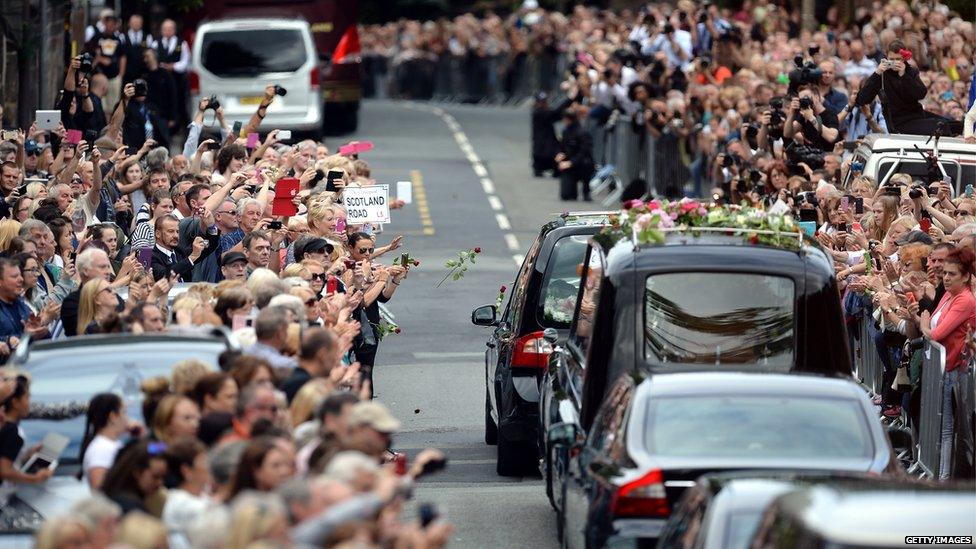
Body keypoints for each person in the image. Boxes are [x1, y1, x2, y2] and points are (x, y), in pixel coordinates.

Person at [919, 246, 975, 480]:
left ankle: (943, 479)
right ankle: (940, 476)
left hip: (957, 371)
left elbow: (935, 332)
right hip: (946, 370)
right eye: (946, 273)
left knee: (951, 429)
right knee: (943, 427)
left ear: (966, 276)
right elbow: (934, 325)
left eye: (953, 274)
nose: (947, 277)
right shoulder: (948, 294)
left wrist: (923, 321)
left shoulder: (965, 300)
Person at [854, 41, 963, 136]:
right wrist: (877, 73)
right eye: (891, 59)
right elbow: (861, 100)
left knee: (956, 125)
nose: (895, 62)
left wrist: (904, 76)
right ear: (886, 56)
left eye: (898, 59)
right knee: (941, 127)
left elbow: (921, 94)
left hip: (917, 115)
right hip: (898, 123)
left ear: (904, 58)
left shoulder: (910, 71)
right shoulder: (881, 75)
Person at [0, 375, 52, 507]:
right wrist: (35, 478)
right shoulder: (13, 433)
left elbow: (5, 456)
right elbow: (4, 471)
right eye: (27, 397)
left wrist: (27, 454)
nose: (29, 403)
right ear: (15, 402)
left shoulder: (6, 428)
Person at [162, 438, 212, 549]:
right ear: (187, 470)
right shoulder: (180, 502)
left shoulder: (203, 494)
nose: (209, 466)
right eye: (204, 461)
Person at [99, 439, 168, 515]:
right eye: (155, 477)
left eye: (163, 477)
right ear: (137, 472)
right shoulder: (131, 508)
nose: (160, 483)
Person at [79, 392, 130, 489]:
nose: (127, 418)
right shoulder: (101, 450)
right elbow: (100, 492)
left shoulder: (110, 445)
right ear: (113, 417)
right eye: (124, 412)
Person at [226, 436, 294, 500]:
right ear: (255, 470)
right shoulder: (241, 505)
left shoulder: (291, 501)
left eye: (288, 464)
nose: (285, 471)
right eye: (275, 465)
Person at [282, 327, 337, 403]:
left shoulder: (292, 376)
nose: (336, 360)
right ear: (322, 355)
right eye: (334, 354)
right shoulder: (301, 385)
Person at [555, 105, 594, 201]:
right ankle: (571, 190)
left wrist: (571, 162)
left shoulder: (582, 133)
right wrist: (559, 154)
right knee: (566, 196)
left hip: (582, 163)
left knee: (586, 164)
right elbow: (562, 147)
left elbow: (585, 152)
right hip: (570, 161)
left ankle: (586, 191)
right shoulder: (565, 131)